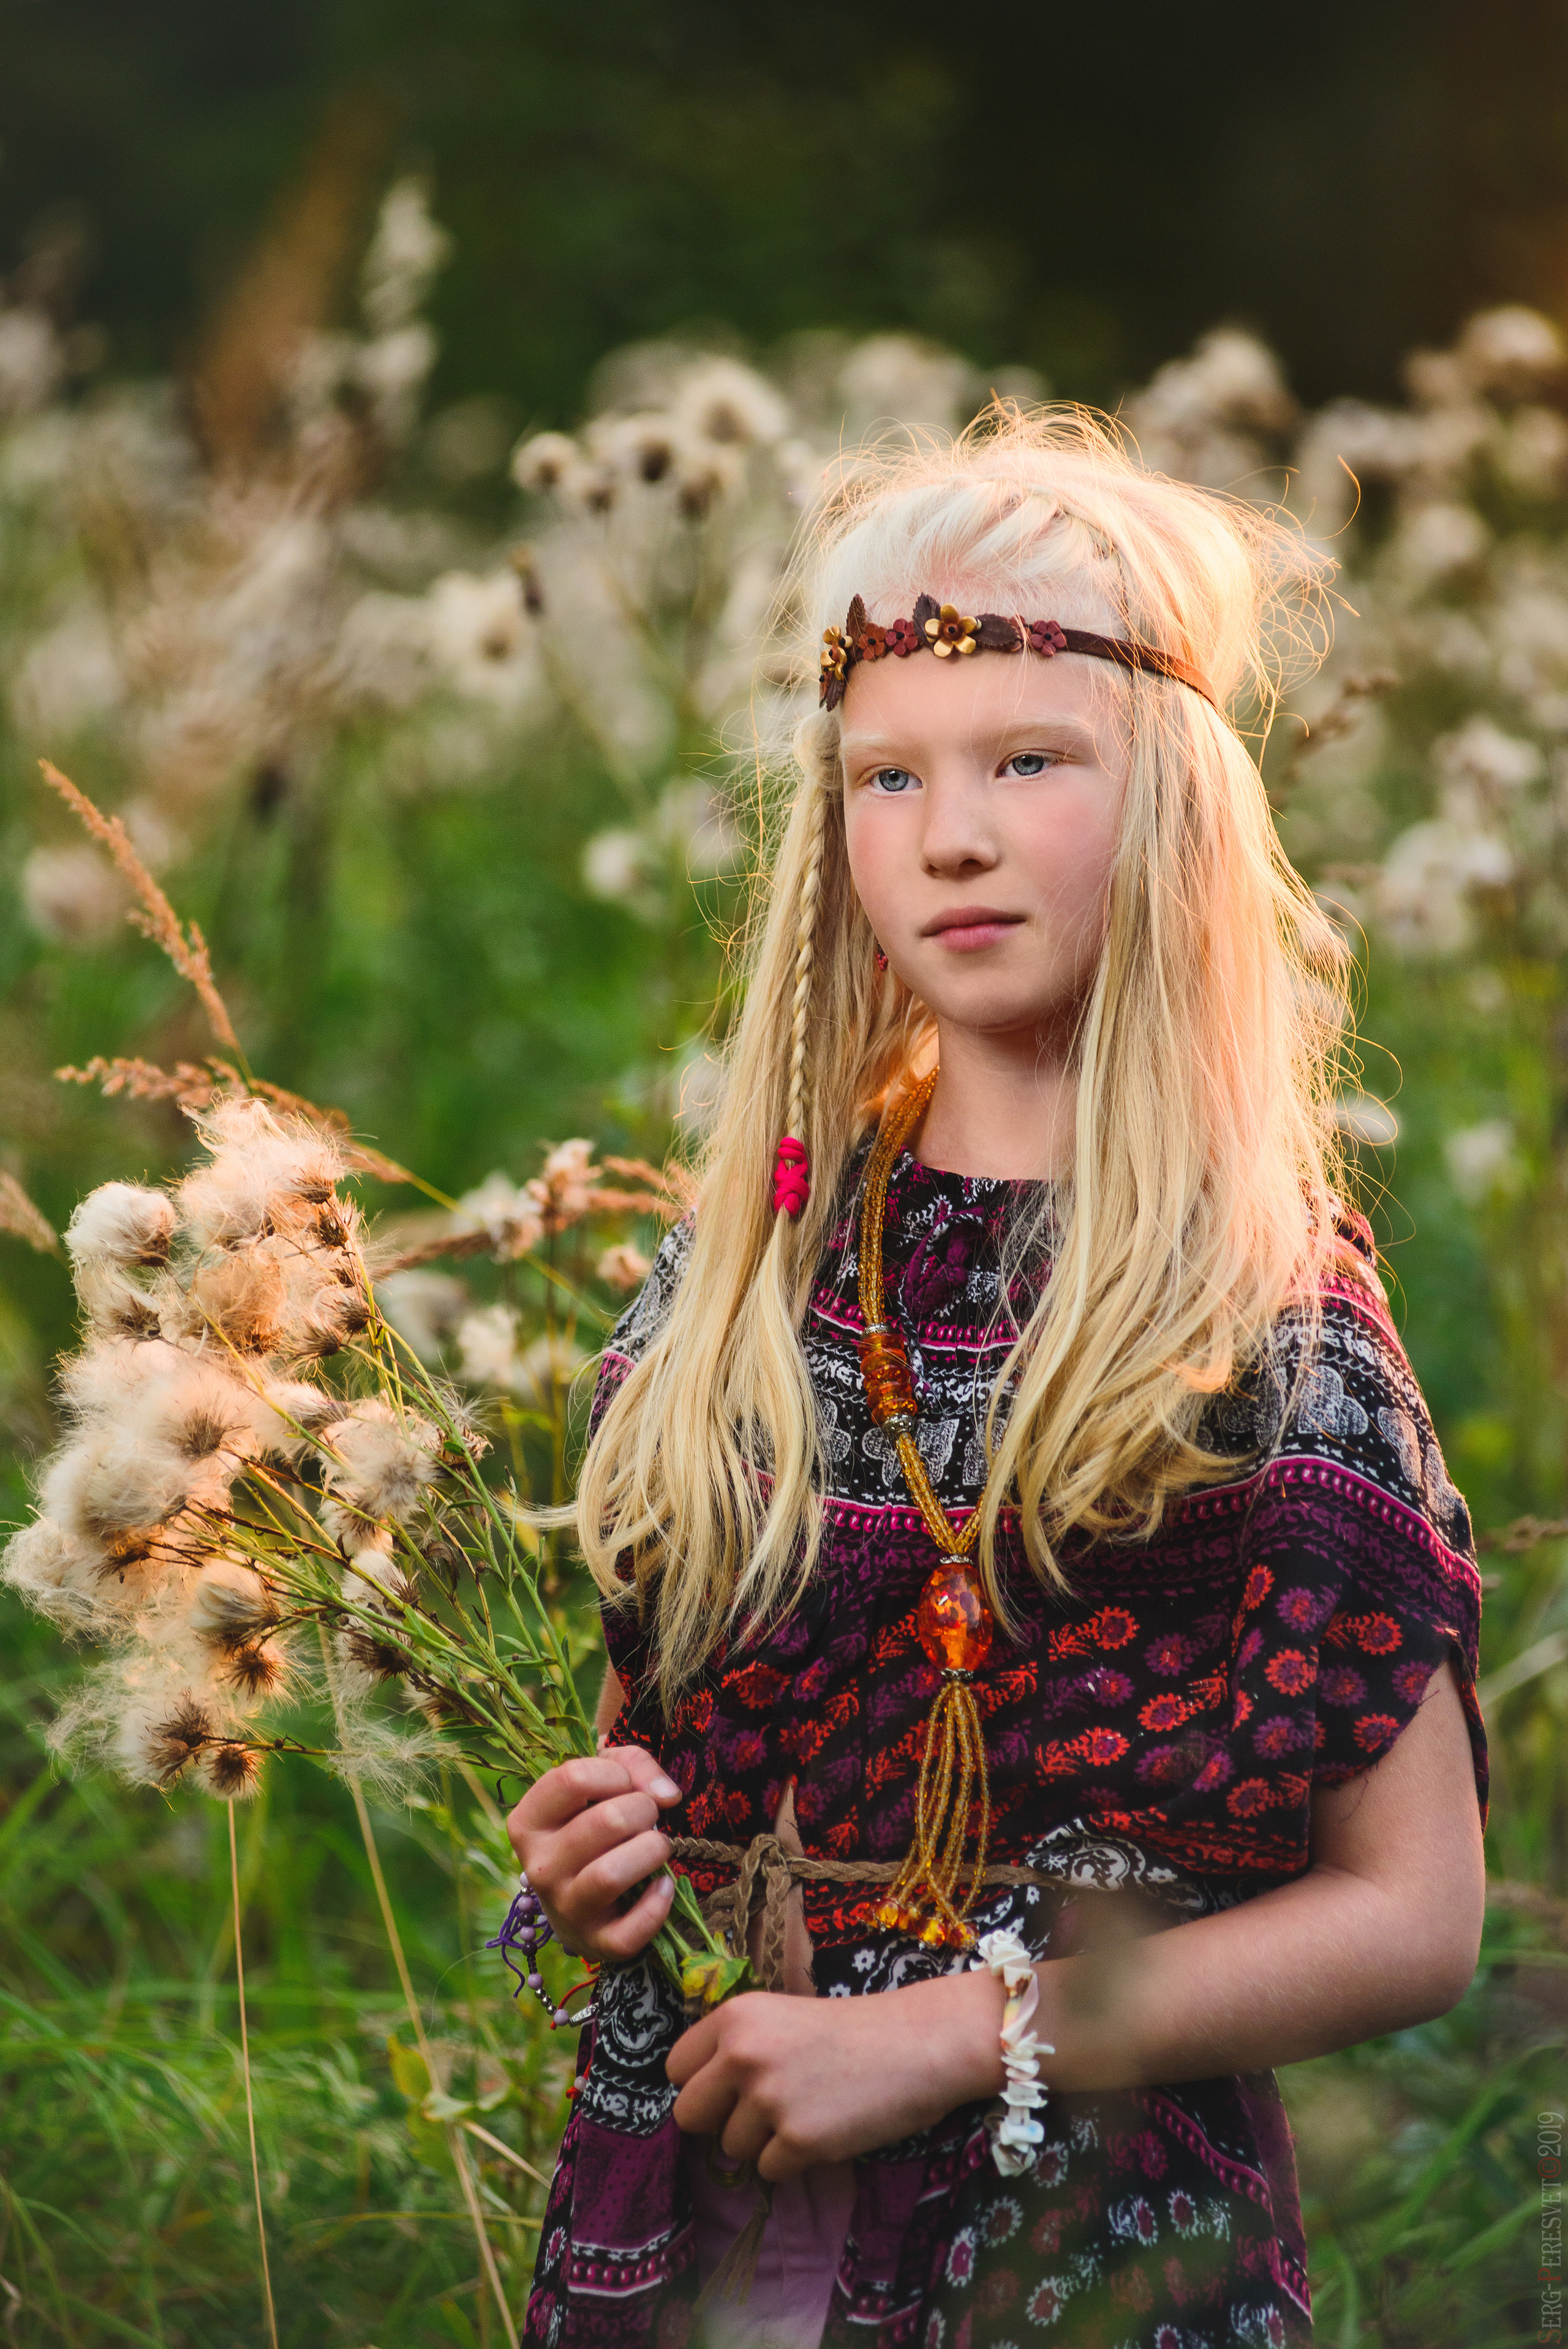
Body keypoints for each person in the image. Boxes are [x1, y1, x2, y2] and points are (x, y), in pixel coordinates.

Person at [508, 410, 1489, 2349]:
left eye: (1027, 759)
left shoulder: (1258, 1324)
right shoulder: (735, 1290)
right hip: (699, 2218)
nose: (946, 833)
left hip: (1084, 2253)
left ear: (1176, 804)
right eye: (886, 776)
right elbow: (642, 1745)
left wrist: (959, 2037)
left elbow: (1414, 1916)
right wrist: (588, 1850)